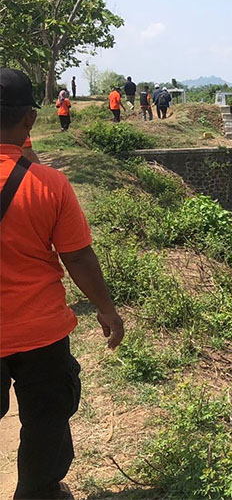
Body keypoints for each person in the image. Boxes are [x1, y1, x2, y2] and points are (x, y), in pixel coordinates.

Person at [0, 67, 125, 500]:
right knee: (46, 417)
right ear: (30, 119)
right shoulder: (49, 185)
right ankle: (37, 492)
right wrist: (107, 310)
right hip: (40, 332)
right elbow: (77, 256)